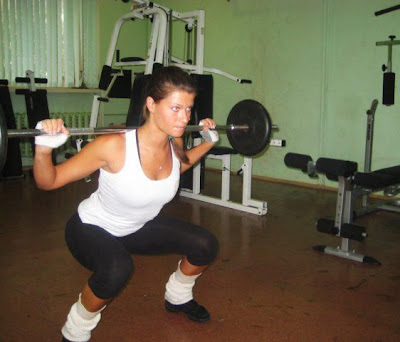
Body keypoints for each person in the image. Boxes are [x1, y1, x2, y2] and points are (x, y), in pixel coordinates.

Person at [33, 66, 220, 342]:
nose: (184, 118)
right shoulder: (113, 147)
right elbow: (49, 181)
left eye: (188, 109)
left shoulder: (173, 140)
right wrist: (43, 149)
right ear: (151, 105)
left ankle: (178, 297)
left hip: (137, 227)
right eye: (176, 108)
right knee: (117, 269)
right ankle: (75, 331)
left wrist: (208, 143)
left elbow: (176, 168)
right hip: (91, 228)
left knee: (206, 245)